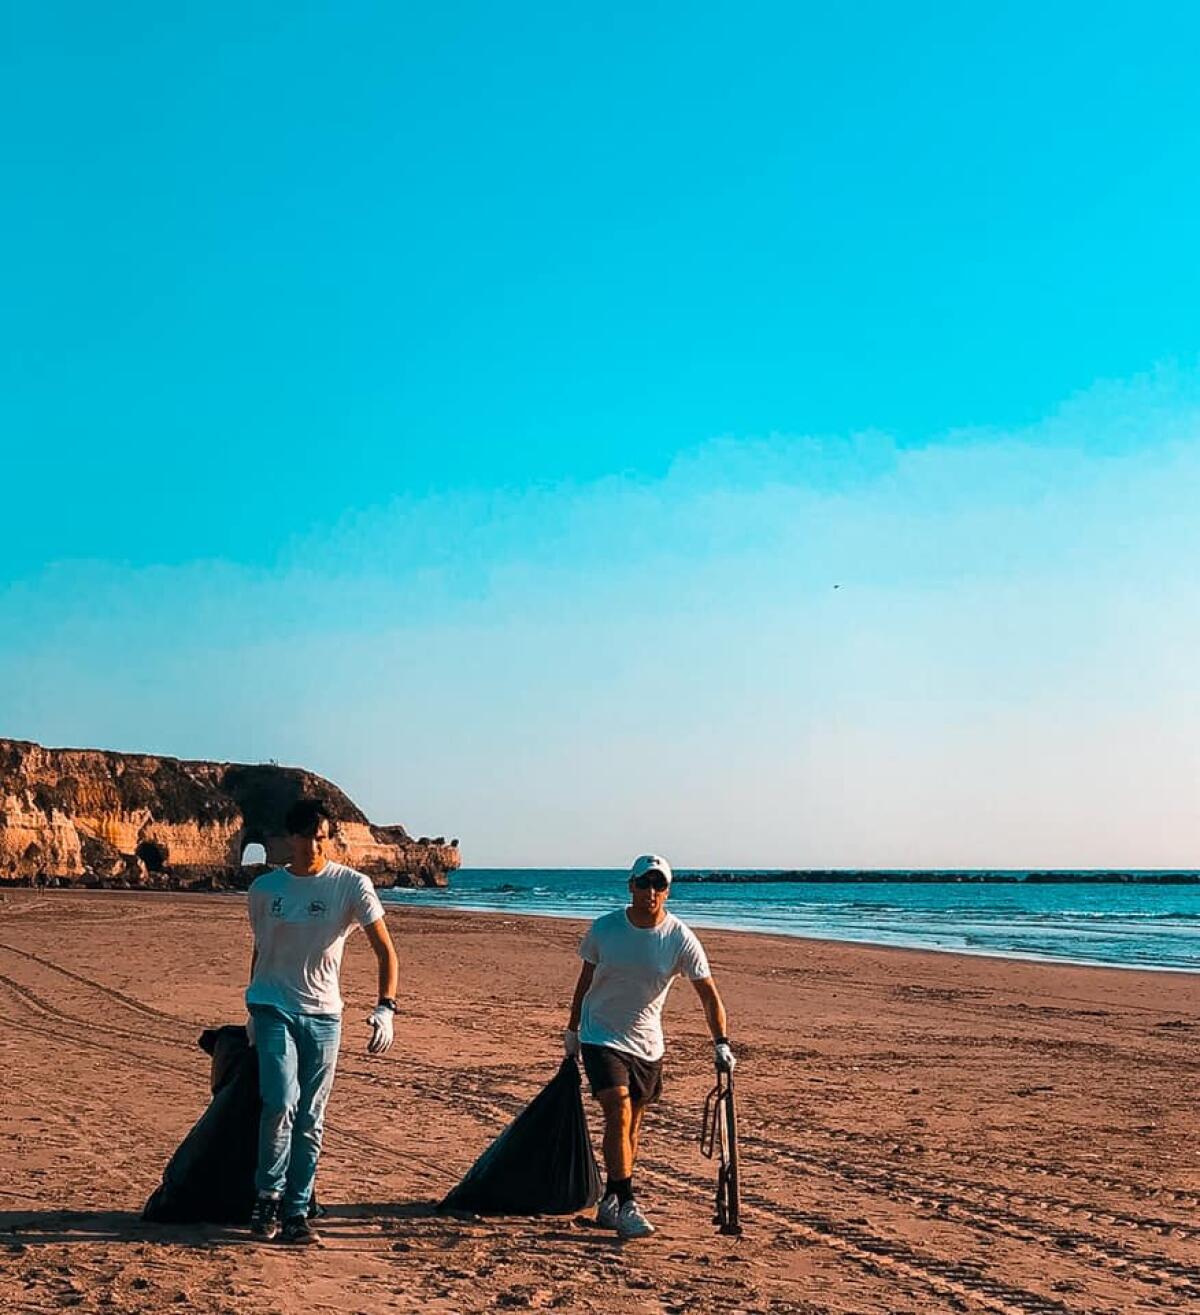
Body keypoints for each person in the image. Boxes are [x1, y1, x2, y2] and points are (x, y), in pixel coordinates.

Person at [244, 797, 399, 1245]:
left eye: (321, 836)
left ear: (328, 838)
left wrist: (386, 1007)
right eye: (305, 836)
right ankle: (267, 1198)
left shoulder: (351, 885)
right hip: (272, 1007)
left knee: (311, 1114)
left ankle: (297, 1210)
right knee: (279, 1101)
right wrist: (252, 1007)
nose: (314, 844)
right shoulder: (265, 891)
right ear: (288, 839)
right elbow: (263, 948)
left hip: (324, 1014)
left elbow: (386, 951)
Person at [564, 854, 735, 1239]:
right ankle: (627, 1202)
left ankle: (610, 1198)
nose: (651, 892)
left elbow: (709, 996)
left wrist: (721, 1042)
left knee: (633, 1127)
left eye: (659, 885)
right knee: (618, 1112)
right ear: (631, 886)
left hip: (647, 1045)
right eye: (645, 883)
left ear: (668, 890)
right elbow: (584, 982)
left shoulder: (679, 938)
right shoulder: (605, 929)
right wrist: (572, 1030)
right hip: (600, 1035)